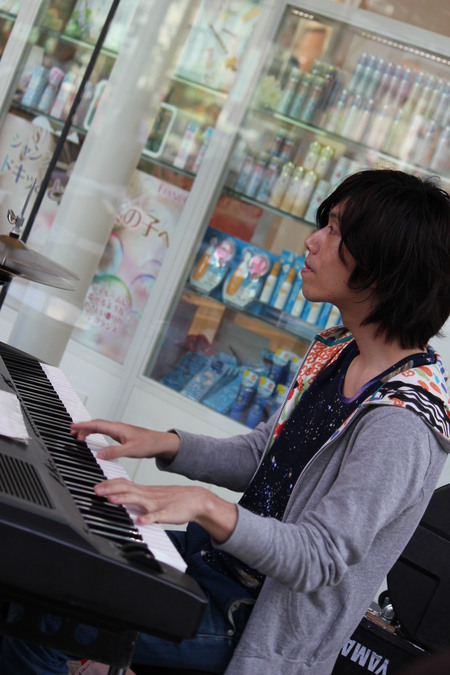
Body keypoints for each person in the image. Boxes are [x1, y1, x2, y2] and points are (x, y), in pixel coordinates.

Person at [1, 169, 449, 675]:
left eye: (336, 231)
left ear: (384, 267)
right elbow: (266, 457)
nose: (313, 240)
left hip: (253, 622)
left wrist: (210, 507)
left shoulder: (403, 422)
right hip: (210, 560)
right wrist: (166, 444)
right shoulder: (340, 349)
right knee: (41, 572)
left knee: (40, 616)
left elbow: (320, 557)